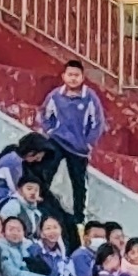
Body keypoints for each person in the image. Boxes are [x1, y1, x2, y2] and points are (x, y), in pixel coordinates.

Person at [34, 59, 105, 223]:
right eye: (70, 75)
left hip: (79, 148)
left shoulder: (90, 98)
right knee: (46, 172)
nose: (73, 78)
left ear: (82, 77)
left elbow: (98, 123)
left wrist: (88, 143)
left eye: (77, 75)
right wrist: (50, 131)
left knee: (79, 184)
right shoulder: (55, 96)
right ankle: (39, 206)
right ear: (64, 76)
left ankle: (79, 220)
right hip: (57, 141)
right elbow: (44, 114)